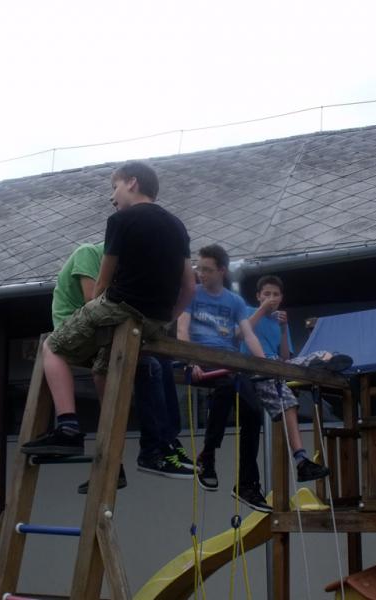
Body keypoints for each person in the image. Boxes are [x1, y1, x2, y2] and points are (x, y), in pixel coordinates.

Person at [22, 161, 196, 464]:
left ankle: (67, 427)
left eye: (114, 187)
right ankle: (113, 451)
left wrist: (94, 309)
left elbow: (102, 283)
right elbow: (190, 287)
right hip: (154, 319)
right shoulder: (177, 226)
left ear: (132, 183)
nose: (112, 196)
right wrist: (167, 318)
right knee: (102, 367)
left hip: (117, 306)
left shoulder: (121, 220)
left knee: (52, 346)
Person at [177, 244, 272, 513]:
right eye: (199, 268)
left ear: (222, 271)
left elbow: (248, 335)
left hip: (228, 364)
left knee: (253, 410)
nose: (201, 274)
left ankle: (247, 483)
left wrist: (265, 364)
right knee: (227, 385)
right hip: (199, 362)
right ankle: (208, 456)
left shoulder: (235, 302)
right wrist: (190, 360)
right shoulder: (191, 294)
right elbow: (182, 330)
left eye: (207, 269)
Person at [242, 275, 330, 482]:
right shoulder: (246, 312)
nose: (271, 298)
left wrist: (283, 328)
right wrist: (262, 310)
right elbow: (241, 333)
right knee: (289, 402)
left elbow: (284, 356)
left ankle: (328, 364)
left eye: (275, 295)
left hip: (278, 364)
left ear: (281, 298)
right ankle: (301, 460)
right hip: (255, 365)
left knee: (325, 355)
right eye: (266, 294)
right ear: (258, 296)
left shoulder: (280, 321)